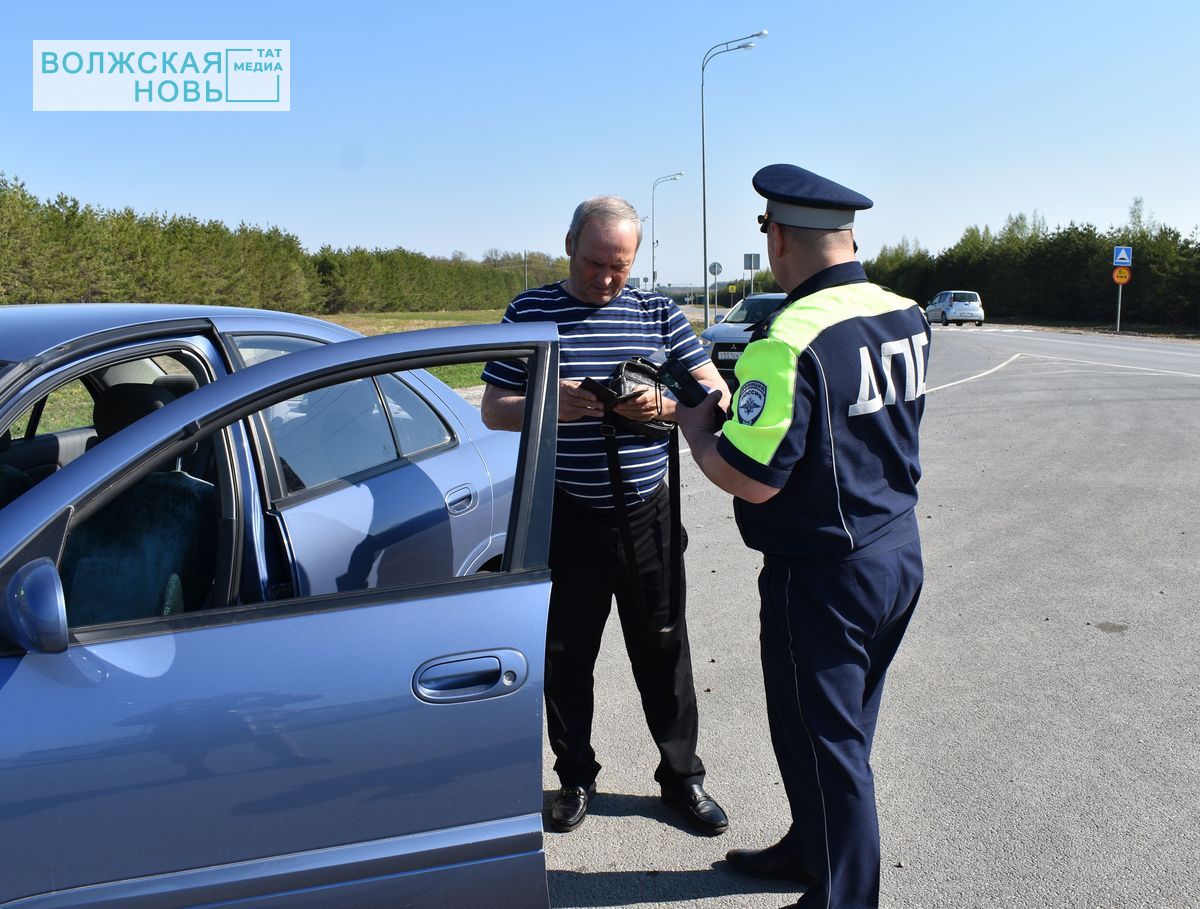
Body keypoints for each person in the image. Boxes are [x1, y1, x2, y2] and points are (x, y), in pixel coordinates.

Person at [674, 164, 930, 908]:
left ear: (777, 236)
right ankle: (811, 846)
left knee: (828, 744)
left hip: (823, 572)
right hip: (895, 550)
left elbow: (754, 475)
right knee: (842, 731)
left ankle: (843, 896)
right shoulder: (903, 310)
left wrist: (698, 430)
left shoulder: (786, 337)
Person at [480, 195, 731, 835]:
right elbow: (493, 407)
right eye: (596, 263)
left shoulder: (656, 310)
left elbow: (716, 395)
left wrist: (664, 406)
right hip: (567, 512)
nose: (607, 279)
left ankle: (682, 779)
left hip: (646, 512)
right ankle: (574, 778)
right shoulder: (530, 311)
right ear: (570, 245)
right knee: (565, 656)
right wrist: (546, 400)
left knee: (663, 649)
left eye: (620, 266)